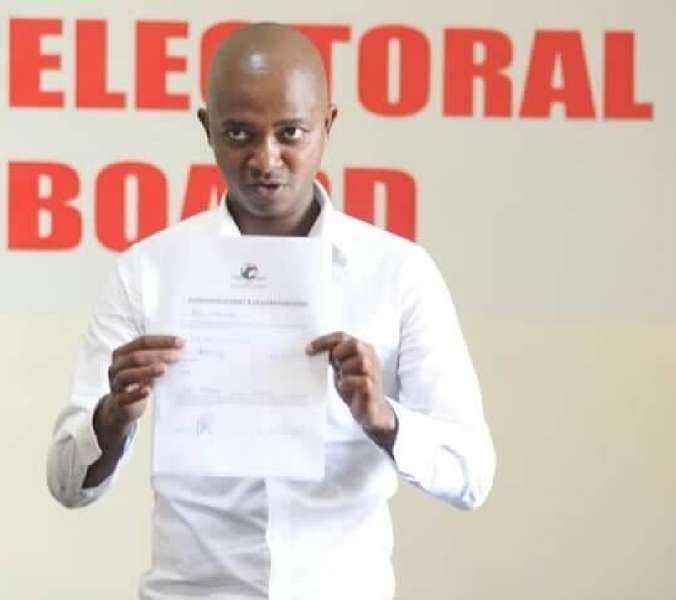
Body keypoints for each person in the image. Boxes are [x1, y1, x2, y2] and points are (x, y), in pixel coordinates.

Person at [47, 22, 495, 600]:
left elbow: (471, 475)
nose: (266, 159)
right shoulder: (148, 271)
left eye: (291, 133)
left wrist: (383, 418)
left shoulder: (398, 273)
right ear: (207, 129)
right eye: (238, 133)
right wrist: (113, 415)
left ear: (328, 125)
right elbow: (66, 482)